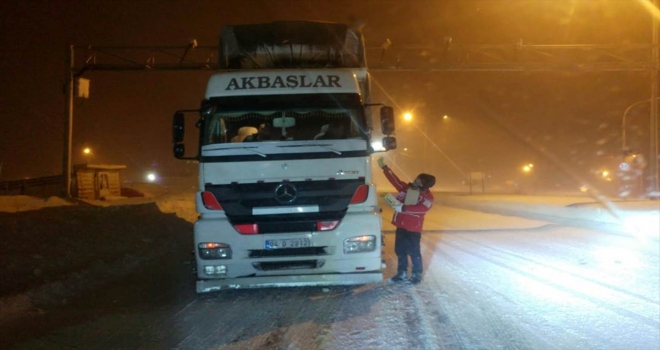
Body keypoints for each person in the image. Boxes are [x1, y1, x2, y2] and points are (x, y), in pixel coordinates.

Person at [378, 157, 435, 284]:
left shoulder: (427, 197)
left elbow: (423, 209)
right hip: (401, 226)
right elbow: (396, 182)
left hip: (413, 229)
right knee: (400, 250)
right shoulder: (409, 189)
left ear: (424, 184)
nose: (415, 180)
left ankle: (416, 274)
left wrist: (403, 207)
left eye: (418, 180)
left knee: (414, 251)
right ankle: (402, 273)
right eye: (416, 178)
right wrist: (386, 169)